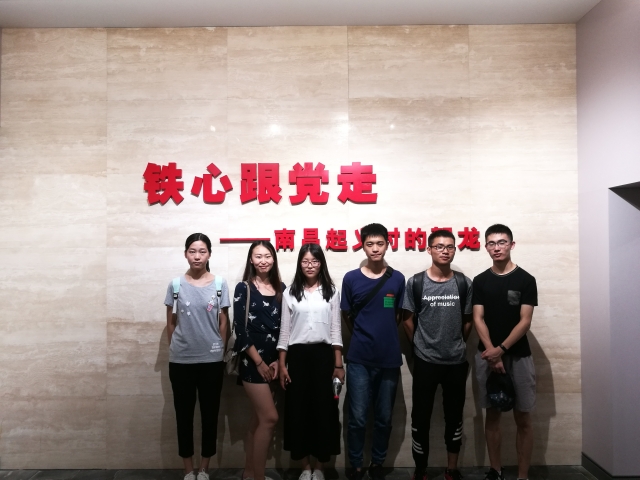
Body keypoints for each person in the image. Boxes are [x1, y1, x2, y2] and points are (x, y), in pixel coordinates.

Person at [401, 229, 473, 480]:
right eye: (439, 246)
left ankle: (452, 468)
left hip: (456, 362)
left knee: (454, 417)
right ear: (429, 249)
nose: (445, 251)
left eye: (450, 247)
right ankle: (420, 469)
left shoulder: (464, 283)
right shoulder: (416, 282)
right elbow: (407, 320)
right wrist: (421, 346)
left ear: (454, 250)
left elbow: (468, 321)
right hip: (425, 362)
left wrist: (455, 343)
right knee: (420, 418)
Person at [340, 223, 406, 480]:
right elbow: (347, 315)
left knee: (384, 417)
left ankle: (378, 462)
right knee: (357, 417)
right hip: (359, 359)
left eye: (380, 243)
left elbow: (397, 315)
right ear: (363, 246)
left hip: (389, 358)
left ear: (388, 245)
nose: (375, 248)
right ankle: (356, 464)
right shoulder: (351, 279)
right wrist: (364, 334)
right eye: (370, 244)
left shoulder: (397, 279)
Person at [472, 224, 538, 480]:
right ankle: (495, 470)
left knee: (523, 418)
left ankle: (522, 476)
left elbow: (525, 321)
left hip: (518, 356)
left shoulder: (526, 280)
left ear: (512, 244)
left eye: (502, 242)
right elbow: (478, 318)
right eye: (491, 243)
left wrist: (500, 350)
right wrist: (492, 352)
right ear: (485, 247)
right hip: (487, 357)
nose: (497, 247)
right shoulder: (480, 281)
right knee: (492, 415)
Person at [164, 233, 231, 480]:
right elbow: (171, 323)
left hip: (211, 362)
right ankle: (188, 470)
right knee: (183, 416)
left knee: (210, 416)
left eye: (202, 251)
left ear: (209, 254)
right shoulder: (175, 285)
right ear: (185, 254)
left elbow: (224, 322)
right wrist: (177, 348)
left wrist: (219, 350)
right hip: (181, 362)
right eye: (192, 251)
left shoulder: (220, 284)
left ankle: (204, 469)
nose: (197, 256)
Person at [277, 243, 344, 480]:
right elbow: (284, 332)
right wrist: (282, 364)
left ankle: (320, 467)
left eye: (314, 261)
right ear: (299, 264)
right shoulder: (290, 292)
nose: (310, 265)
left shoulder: (331, 291)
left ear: (321, 263)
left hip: (324, 357)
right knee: (298, 411)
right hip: (297, 357)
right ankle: (305, 467)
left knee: (324, 412)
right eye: (305, 261)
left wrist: (338, 364)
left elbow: (336, 329)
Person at [233, 240, 285, 480]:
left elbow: (285, 328)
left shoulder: (282, 288)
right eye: (258, 256)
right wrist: (260, 363)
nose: (263, 261)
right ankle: (259, 477)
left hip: (274, 364)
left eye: (267, 256)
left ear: (273, 259)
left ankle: (249, 473)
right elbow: (240, 331)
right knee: (269, 418)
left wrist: (279, 362)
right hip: (253, 363)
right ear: (251, 260)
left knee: (257, 420)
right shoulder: (243, 288)